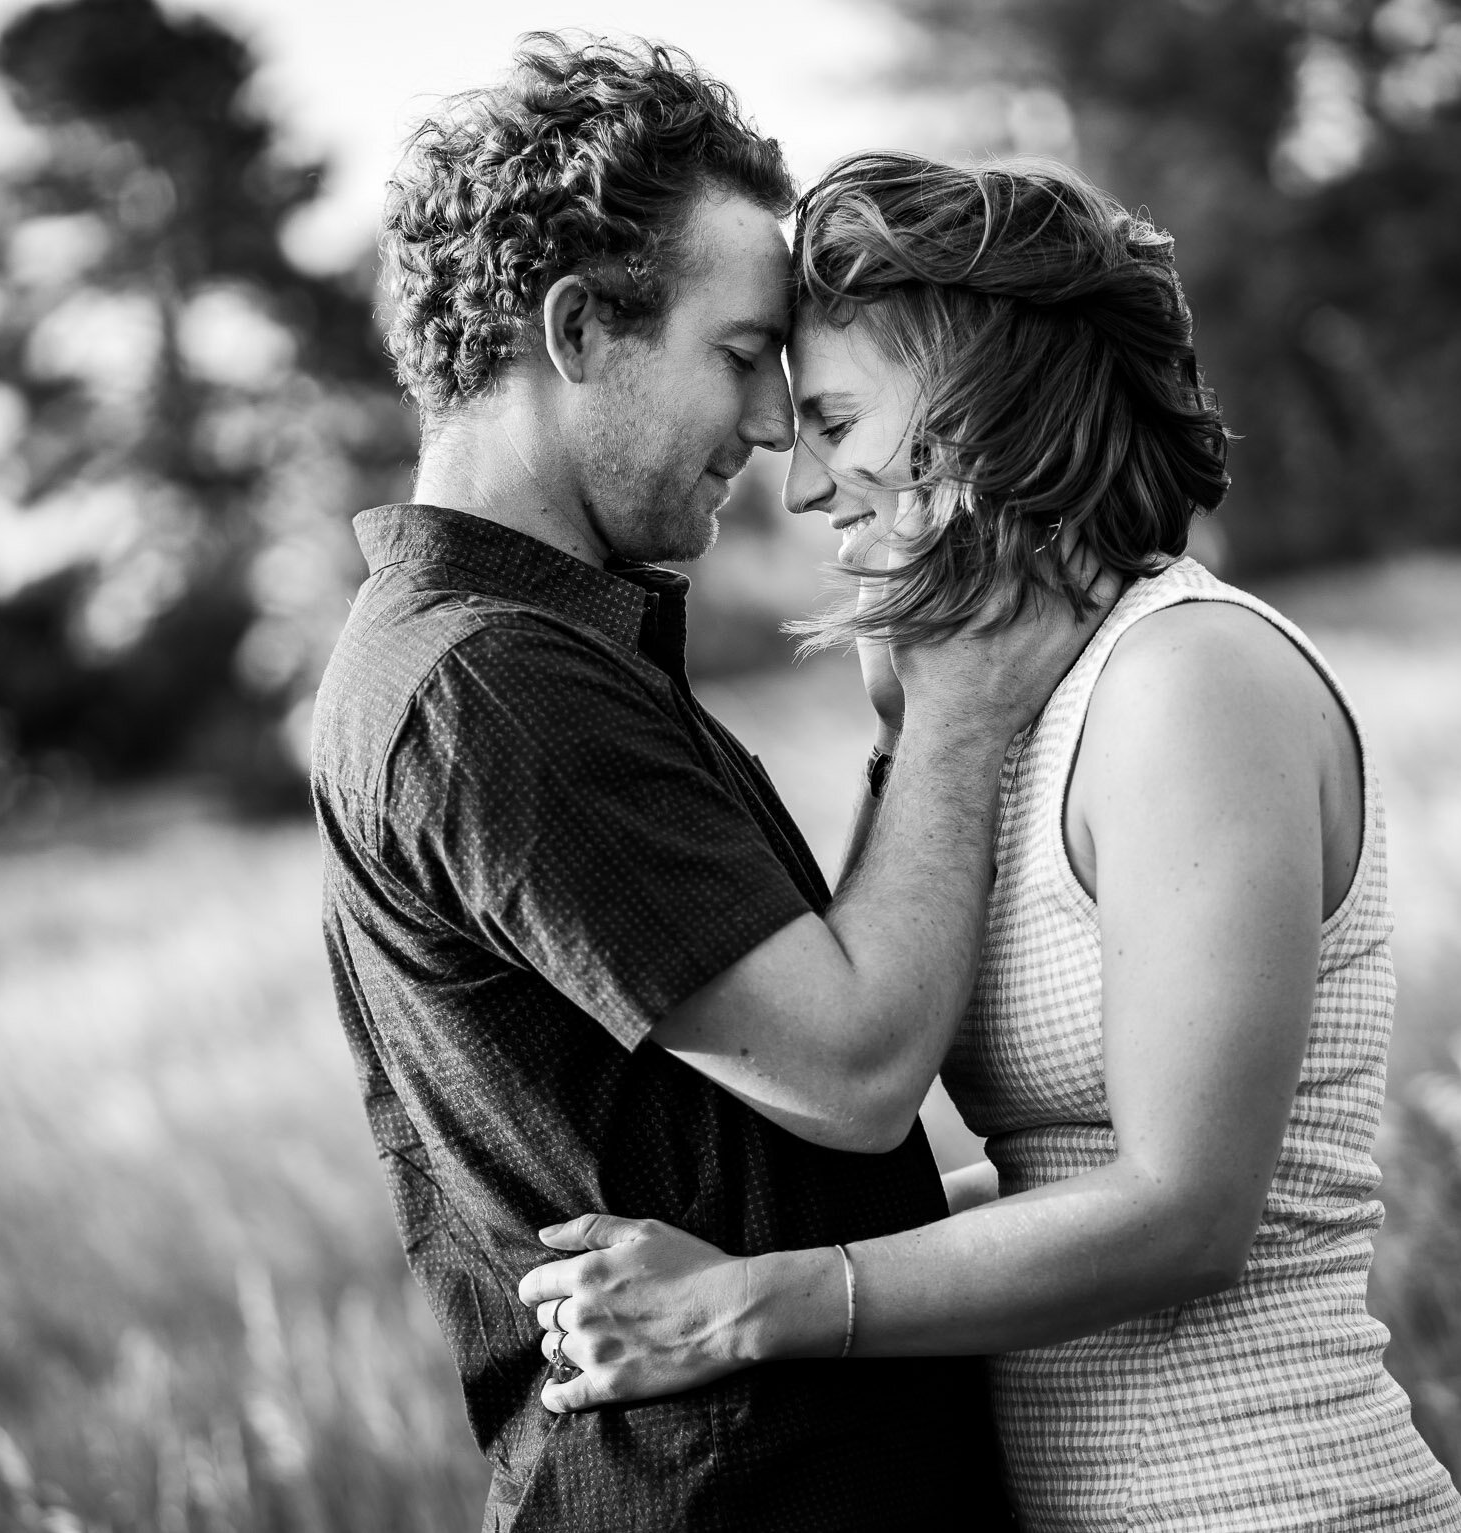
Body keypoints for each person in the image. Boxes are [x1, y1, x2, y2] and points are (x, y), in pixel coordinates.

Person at [516, 152, 1461, 1531]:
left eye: (836, 418)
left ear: (978, 413)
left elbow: (1184, 1209)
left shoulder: (1191, 680)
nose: (801, 489)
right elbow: (1051, 1168)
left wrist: (753, 1307)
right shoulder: (1006, 706)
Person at [311, 42, 1098, 1533]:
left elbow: (785, 1170)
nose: (766, 427)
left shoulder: (512, 655)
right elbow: (855, 1071)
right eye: (740, 356)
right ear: (577, 329)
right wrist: (961, 703)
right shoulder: (494, 686)